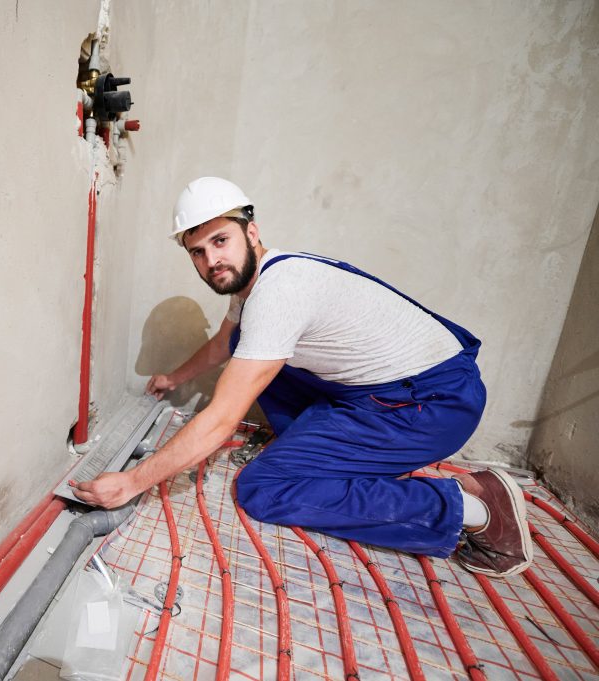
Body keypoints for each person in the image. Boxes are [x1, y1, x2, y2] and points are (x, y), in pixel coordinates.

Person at [71, 176, 532, 577]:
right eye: (197, 251)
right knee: (243, 347)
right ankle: (329, 458)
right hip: (398, 392)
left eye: (220, 241)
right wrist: (174, 378)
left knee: (264, 488)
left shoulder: (278, 294)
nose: (211, 260)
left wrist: (132, 483)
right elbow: (222, 345)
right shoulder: (258, 279)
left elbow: (220, 419)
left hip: (431, 406)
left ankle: (478, 512)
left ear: (251, 232)